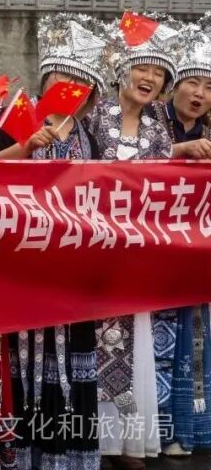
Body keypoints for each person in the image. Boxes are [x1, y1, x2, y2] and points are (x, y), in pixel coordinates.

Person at [3, 14, 106, 470]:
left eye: (80, 83)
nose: (70, 88)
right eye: (61, 79)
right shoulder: (16, 123)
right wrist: (24, 149)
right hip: (22, 267)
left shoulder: (91, 139)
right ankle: (24, 456)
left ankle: (70, 458)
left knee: (73, 366)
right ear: (45, 82)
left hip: (72, 274)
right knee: (23, 367)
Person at [84, 20, 177, 469]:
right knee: (90, 340)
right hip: (90, 247)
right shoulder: (91, 117)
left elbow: (164, 188)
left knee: (132, 342)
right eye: (143, 68)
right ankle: (93, 442)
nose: (150, 79)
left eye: (159, 74)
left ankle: (126, 442)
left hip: (134, 251)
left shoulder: (159, 131)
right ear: (122, 71)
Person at [149, 24, 211, 455]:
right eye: (192, 83)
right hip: (154, 250)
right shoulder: (151, 123)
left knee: (198, 341)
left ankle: (191, 430)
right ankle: (158, 432)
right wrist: (176, 153)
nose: (200, 94)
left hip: (199, 253)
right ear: (174, 87)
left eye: (209, 87)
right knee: (157, 343)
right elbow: (126, 166)